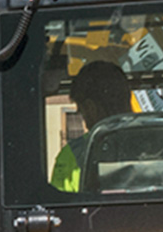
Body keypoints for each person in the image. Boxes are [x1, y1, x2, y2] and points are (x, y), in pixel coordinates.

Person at [50, 59, 135, 193]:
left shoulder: (73, 155)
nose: (84, 121)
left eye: (81, 111)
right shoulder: (159, 142)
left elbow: (60, 207)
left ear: (90, 108)